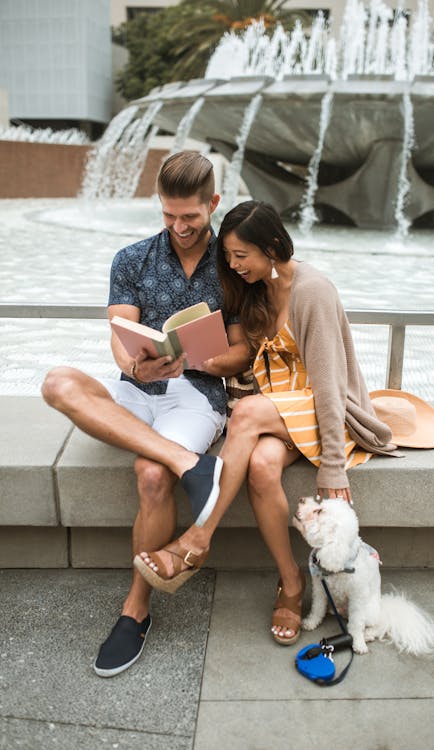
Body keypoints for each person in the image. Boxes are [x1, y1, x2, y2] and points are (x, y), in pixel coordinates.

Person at [134, 200, 399, 646]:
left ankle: (197, 538)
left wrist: (332, 466)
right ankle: (292, 584)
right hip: (281, 410)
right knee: (259, 466)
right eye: (229, 258)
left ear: (273, 246)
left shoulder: (311, 290)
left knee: (251, 412)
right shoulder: (257, 288)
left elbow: (330, 385)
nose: (234, 266)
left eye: (242, 256)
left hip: (320, 409)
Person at [42, 151, 250, 676]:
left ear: (214, 204)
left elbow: (244, 351)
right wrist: (136, 369)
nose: (179, 227)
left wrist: (198, 359)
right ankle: (191, 465)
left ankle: (136, 609)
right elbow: (120, 337)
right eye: (168, 215)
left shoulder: (234, 262)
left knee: (150, 473)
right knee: (58, 382)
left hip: (196, 393)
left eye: (191, 217)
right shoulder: (130, 259)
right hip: (138, 387)